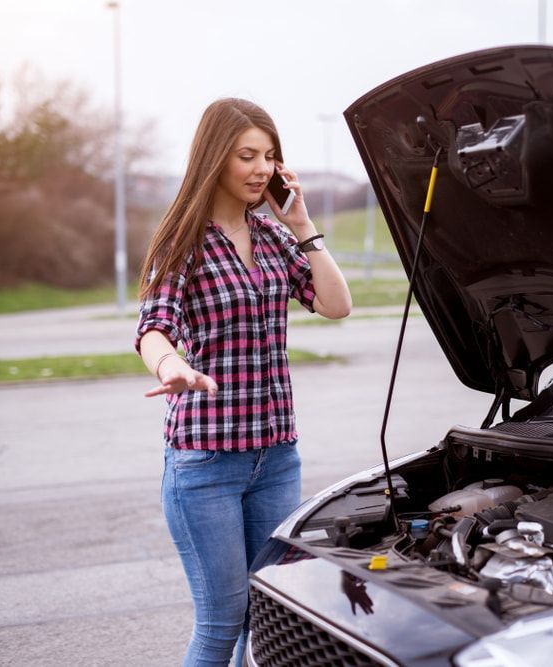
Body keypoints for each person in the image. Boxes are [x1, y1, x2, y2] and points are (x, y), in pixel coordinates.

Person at [134, 98, 351, 666]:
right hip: (206, 462)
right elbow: (153, 329)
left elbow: (336, 304)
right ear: (215, 159)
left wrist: (301, 225)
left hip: (277, 457)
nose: (261, 169)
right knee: (222, 621)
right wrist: (170, 366)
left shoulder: (276, 237)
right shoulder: (182, 241)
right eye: (246, 155)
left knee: (267, 616)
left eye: (270, 156)